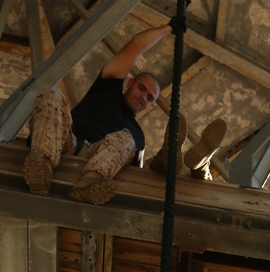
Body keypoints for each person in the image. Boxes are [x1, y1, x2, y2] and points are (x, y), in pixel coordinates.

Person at [22, 22, 224, 206]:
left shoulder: (137, 136)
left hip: (96, 159)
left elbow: (138, 175)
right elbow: (135, 45)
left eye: (150, 98)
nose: (144, 97)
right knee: (52, 96)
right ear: (129, 83)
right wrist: (170, 28)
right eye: (142, 88)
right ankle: (41, 167)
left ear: (151, 105)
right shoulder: (107, 90)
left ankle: (88, 185)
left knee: (127, 140)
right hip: (66, 142)